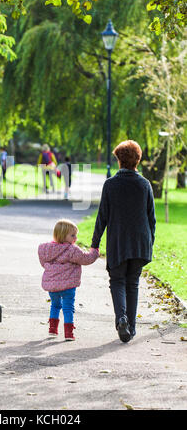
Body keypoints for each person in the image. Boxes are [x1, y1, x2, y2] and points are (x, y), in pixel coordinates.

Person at [91, 140, 156, 343]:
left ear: (119, 160)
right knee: (133, 283)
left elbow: (102, 216)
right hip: (139, 243)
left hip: (118, 242)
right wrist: (149, 242)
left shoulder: (110, 185)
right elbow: (151, 218)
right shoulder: (144, 184)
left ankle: (121, 318)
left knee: (117, 281)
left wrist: (95, 243)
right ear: (138, 159)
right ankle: (132, 328)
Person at [38, 219, 99, 340]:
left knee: (55, 305)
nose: (75, 238)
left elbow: (43, 263)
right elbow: (85, 259)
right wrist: (95, 252)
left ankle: (53, 330)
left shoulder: (46, 249)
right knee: (68, 308)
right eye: (72, 235)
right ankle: (69, 333)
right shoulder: (72, 250)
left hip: (53, 287)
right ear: (62, 235)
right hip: (68, 286)